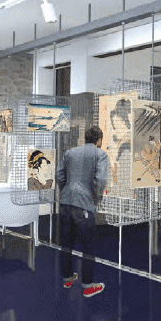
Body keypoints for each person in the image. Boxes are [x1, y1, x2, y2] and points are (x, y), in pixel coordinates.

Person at [55, 125, 109, 297]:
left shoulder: (70, 153)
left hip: (65, 202)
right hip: (84, 204)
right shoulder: (100, 154)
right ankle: (88, 286)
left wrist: (67, 190)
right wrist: (96, 198)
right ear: (99, 140)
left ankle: (67, 278)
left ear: (85, 138)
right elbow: (100, 180)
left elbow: (59, 175)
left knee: (66, 244)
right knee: (88, 247)